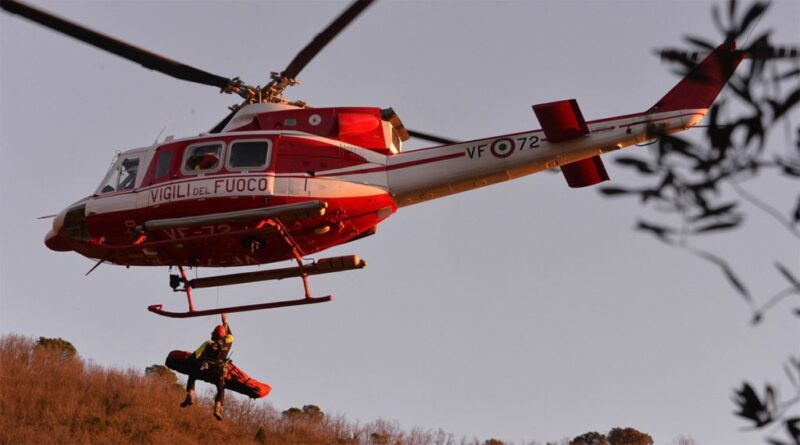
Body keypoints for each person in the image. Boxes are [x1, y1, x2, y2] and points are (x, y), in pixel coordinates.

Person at [180, 313, 234, 421]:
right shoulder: (228, 343)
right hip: (218, 372)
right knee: (221, 389)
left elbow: (195, 355)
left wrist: (186, 360)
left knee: (192, 375)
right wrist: (225, 321)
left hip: (206, 370)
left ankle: (190, 395)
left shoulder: (208, 343)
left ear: (213, 334)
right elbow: (230, 335)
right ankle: (217, 408)